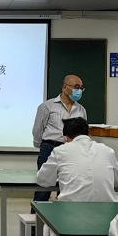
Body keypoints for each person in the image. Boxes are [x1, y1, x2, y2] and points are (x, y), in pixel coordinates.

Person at [36, 117, 118, 236]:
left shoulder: (61, 151)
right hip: (107, 215)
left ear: (65, 137)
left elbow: (43, 180)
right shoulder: (107, 151)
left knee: (48, 224)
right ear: (89, 133)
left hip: (72, 217)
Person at [32, 75, 87, 205]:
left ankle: (60, 223)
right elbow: (37, 130)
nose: (78, 91)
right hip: (50, 148)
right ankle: (35, 223)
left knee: (67, 189)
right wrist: (43, 145)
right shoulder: (47, 106)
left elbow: (83, 132)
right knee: (43, 189)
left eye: (81, 88)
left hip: (73, 151)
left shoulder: (81, 110)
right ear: (64, 87)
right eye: (76, 87)